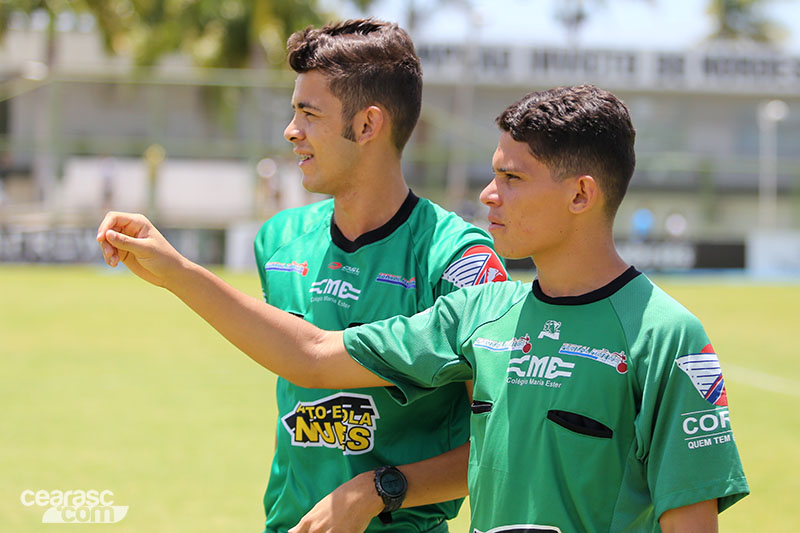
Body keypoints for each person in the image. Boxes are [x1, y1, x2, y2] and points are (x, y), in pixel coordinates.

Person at [97, 85, 748, 531]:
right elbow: (314, 355)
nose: (488, 195)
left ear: (581, 194)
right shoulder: (480, 313)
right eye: (493, 173)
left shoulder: (667, 336)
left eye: (512, 178)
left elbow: (690, 521)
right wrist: (177, 272)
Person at [106, 18, 508, 533]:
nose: (291, 130)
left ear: (368, 125)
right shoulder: (279, 241)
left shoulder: (458, 260)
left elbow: (500, 438)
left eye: (309, 113)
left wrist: (379, 491)